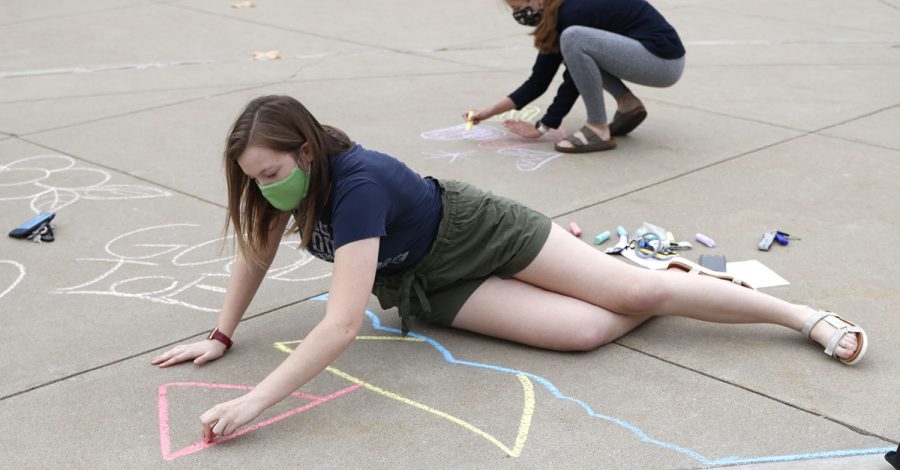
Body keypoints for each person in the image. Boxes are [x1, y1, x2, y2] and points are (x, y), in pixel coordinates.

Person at [152, 95, 867, 443]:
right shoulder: (281, 187)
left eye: (271, 172)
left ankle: (797, 315)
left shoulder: (356, 182)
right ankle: (631, 274)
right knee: (586, 330)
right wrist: (220, 335)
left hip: (482, 231)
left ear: (306, 151)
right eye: (253, 179)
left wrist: (255, 403)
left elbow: (340, 323)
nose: (263, 188)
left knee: (642, 290)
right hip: (429, 281)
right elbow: (255, 250)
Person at [466, 0, 686, 153]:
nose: (518, 15)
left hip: (662, 62)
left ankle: (597, 128)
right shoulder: (559, 11)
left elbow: (574, 80)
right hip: (649, 55)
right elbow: (539, 80)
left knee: (574, 40)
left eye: (518, 8)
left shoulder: (573, 11)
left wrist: (544, 126)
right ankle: (627, 103)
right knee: (573, 45)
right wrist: (488, 112)